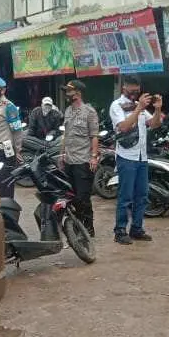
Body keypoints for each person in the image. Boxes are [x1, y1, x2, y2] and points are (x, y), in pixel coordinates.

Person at [110, 75, 162, 245]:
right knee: (125, 196)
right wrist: (139, 107)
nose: (135, 92)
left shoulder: (139, 106)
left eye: (137, 89)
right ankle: (120, 231)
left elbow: (154, 124)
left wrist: (157, 109)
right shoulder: (117, 105)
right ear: (124, 87)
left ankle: (136, 229)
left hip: (142, 157)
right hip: (126, 157)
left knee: (142, 196)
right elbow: (123, 127)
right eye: (132, 89)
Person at [60, 80, 99, 237]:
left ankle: (88, 227)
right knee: (72, 197)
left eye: (69, 91)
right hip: (69, 160)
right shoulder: (68, 111)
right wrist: (62, 154)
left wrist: (94, 157)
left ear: (78, 93)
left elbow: (94, 136)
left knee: (83, 197)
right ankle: (78, 226)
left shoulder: (89, 112)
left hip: (83, 161)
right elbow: (65, 135)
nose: (67, 94)